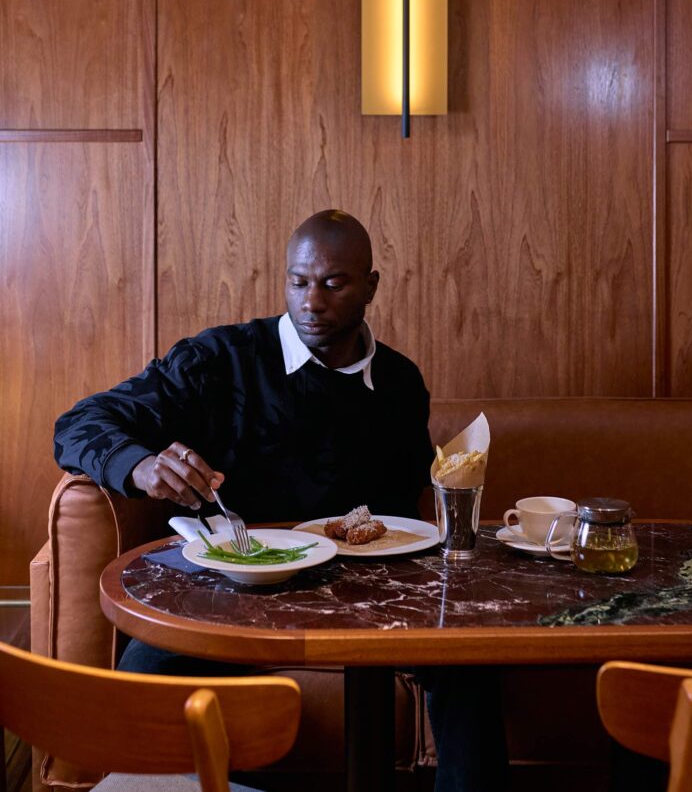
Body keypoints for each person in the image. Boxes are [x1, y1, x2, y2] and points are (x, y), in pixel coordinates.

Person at [53, 209, 508, 792]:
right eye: (299, 282)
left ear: (370, 286)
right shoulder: (220, 361)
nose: (311, 301)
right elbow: (80, 421)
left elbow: (406, 513)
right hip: (241, 587)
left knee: (470, 665)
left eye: (333, 283)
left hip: (378, 593)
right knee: (147, 668)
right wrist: (139, 464)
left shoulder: (400, 383)